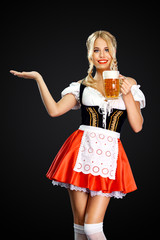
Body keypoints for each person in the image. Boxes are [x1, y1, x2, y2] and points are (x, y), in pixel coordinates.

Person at [10, 30, 146, 240]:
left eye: (107, 49)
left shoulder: (128, 83)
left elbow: (137, 126)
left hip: (108, 153)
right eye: (96, 49)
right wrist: (38, 78)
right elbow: (54, 111)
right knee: (81, 230)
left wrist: (126, 93)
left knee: (93, 228)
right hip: (81, 151)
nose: (102, 54)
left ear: (114, 52)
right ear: (89, 54)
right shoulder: (82, 86)